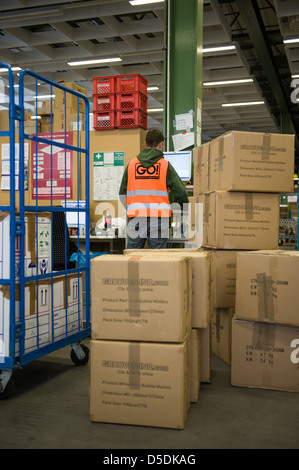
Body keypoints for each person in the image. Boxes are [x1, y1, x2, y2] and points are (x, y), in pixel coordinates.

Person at [119, 128, 189, 249]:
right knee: (156, 260)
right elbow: (181, 192)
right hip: (159, 219)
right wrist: (182, 209)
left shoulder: (131, 165)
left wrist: (132, 210)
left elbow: (122, 194)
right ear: (161, 144)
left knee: (132, 257)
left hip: (136, 218)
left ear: (145, 144)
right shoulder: (165, 165)